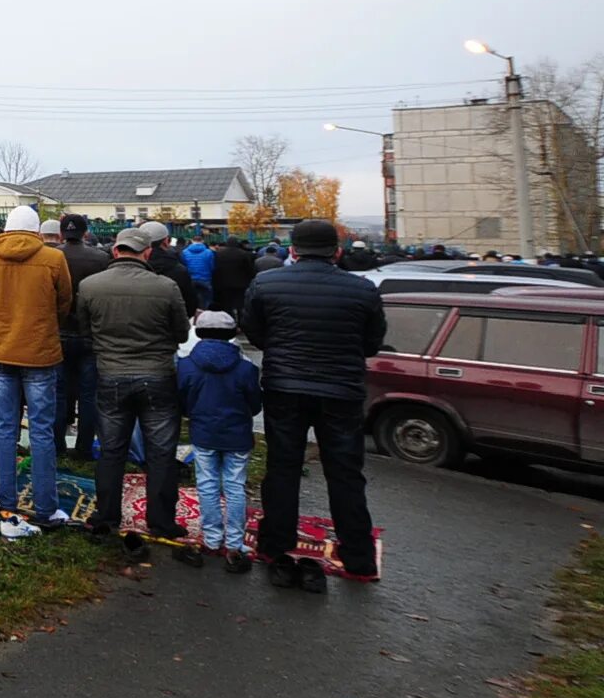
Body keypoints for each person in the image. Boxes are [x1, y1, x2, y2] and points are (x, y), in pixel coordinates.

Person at [239, 217, 384, 588]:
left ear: (293, 250)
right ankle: (358, 557)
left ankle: (274, 544)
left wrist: (282, 350)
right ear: (336, 252)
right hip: (341, 390)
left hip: (285, 386)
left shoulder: (267, 284)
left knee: (283, 465)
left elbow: (254, 331)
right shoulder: (362, 290)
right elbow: (371, 342)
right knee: (346, 473)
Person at [74, 226, 191, 550]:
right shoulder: (165, 287)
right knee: (161, 452)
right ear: (147, 252)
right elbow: (181, 333)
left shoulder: (90, 286)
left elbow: (86, 331)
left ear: (115, 250)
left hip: (111, 375)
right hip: (157, 377)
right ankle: (162, 521)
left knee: (111, 450)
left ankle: (106, 516)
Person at [0, 207, 74, 522]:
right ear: (36, 231)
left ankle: (6, 499)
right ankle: (46, 508)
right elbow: (64, 303)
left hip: (0, 350)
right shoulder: (54, 259)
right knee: (42, 429)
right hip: (40, 353)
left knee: (4, 427)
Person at [175, 310, 260, 572]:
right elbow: (255, 404)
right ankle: (235, 543)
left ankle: (211, 538)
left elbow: (183, 401)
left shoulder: (187, 365)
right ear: (232, 334)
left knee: (207, 484)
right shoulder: (246, 368)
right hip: (237, 434)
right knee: (235, 486)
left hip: (204, 433)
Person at [54, 213, 109, 461]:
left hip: (59, 331)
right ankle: (84, 447)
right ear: (85, 233)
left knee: (58, 392)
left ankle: (56, 444)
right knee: (89, 394)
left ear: (62, 233)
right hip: (90, 333)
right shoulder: (100, 258)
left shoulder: (54, 256)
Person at [210, 236, 257, 318]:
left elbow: (216, 269)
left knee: (227, 304)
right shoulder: (243, 254)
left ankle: (228, 320)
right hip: (240, 284)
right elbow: (248, 269)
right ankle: (240, 321)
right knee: (240, 304)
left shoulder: (219, 254)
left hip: (224, 283)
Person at [179, 233, 216, 310]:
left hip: (191, 279)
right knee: (207, 300)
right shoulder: (209, 252)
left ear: (192, 241)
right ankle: (205, 316)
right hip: (205, 279)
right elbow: (212, 266)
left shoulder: (185, 252)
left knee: (192, 301)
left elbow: (183, 266)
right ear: (202, 241)